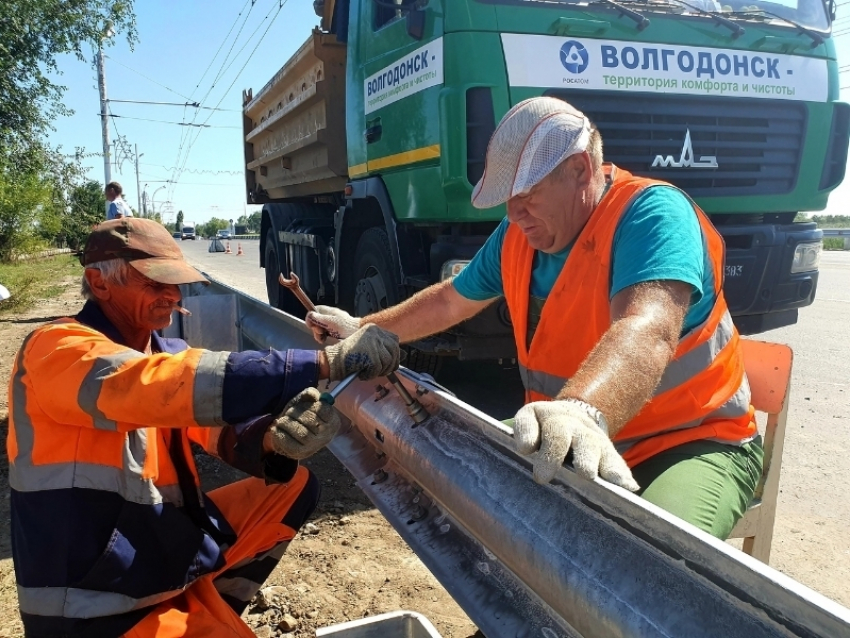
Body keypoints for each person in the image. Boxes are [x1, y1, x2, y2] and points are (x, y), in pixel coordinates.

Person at [307, 97, 763, 540]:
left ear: (580, 169)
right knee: (469, 484)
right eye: (507, 198)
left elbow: (648, 327)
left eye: (525, 194)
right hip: (577, 437)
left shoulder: (652, 214)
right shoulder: (520, 235)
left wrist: (584, 410)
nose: (513, 214)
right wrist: (366, 328)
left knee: (655, 562)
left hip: (691, 442)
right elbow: (449, 301)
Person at [6, 217, 399, 637]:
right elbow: (162, 385)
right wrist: (323, 363)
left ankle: (211, 605)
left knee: (291, 485)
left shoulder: (159, 351)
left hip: (150, 557)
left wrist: (273, 441)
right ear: (98, 283)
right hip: (92, 602)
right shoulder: (56, 349)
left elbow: (218, 431)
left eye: (175, 284)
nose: (172, 295)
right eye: (155, 284)